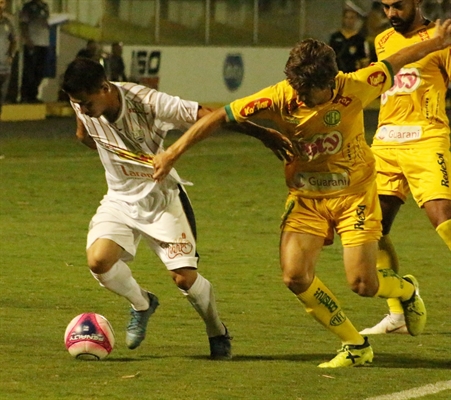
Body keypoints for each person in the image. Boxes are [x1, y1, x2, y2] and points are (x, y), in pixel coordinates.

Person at [151, 23, 451, 367]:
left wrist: (437, 41)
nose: (300, 97)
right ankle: (355, 345)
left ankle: (406, 291)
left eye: (308, 91)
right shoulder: (280, 95)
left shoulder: (358, 85)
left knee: (363, 285)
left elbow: (398, 59)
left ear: (330, 83)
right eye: (297, 88)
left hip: (354, 196)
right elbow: (221, 115)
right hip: (307, 198)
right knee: (294, 276)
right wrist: (172, 153)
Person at [61, 58, 290, 359]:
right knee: (99, 261)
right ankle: (142, 303)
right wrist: (88, 136)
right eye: (77, 103)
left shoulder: (147, 101)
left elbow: (211, 116)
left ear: (105, 88)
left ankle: (216, 330)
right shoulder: (83, 103)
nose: (83, 109)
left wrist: (262, 134)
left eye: (87, 103)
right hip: (119, 198)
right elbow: (84, 132)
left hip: (161, 197)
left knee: (184, 278)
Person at [360, 0, 451, 335]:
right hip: (385, 143)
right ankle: (398, 314)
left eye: (397, 6)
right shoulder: (382, 41)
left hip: (427, 137)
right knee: (373, 230)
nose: (391, 14)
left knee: (442, 216)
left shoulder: (442, 38)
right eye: (385, 7)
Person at [19, 0, 49, 103]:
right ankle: (25, 96)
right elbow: (23, 24)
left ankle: (33, 95)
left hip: (44, 42)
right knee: (29, 70)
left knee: (39, 71)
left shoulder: (45, 6)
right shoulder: (28, 7)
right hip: (33, 42)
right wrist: (27, 40)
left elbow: (47, 21)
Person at [0, 0, 16, 114]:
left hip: (4, 66)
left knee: (2, 95)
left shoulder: (7, 23)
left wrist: (11, 55)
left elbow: (13, 41)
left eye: (2, 2)